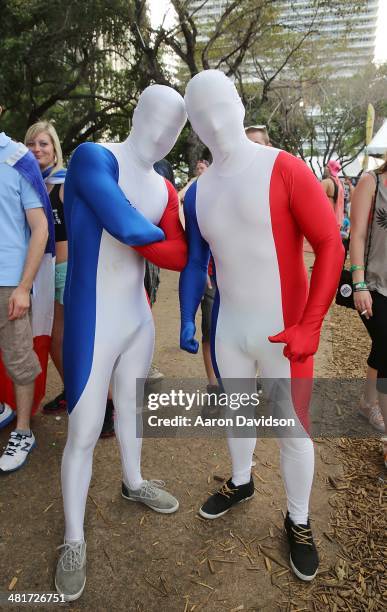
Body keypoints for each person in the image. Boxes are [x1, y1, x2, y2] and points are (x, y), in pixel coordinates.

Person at [180, 70, 343, 582]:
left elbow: (330, 243)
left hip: (284, 332)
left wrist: (311, 324)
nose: (212, 119)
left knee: (293, 429)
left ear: (238, 103)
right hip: (230, 330)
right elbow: (194, 261)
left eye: (218, 104)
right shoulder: (197, 192)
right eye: (198, 114)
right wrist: (187, 316)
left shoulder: (284, 168)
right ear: (194, 127)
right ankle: (242, 480)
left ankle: (298, 518)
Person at [54, 85, 187, 601]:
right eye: (157, 119)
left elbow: (175, 243)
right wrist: (178, 246)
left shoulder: (163, 181)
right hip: (94, 319)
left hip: (136, 316)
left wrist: (182, 246)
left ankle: (133, 482)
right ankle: (72, 538)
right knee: (85, 430)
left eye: (175, 128)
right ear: (136, 113)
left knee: (132, 411)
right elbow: (130, 228)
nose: (163, 134)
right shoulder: (94, 156)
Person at [0, 113, 54, 472]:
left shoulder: (18, 158)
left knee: (19, 358)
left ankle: (23, 430)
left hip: (7, 280)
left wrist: (22, 287)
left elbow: (40, 228)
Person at [350, 160, 387, 453]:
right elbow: (358, 235)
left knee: (382, 346)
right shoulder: (372, 181)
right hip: (375, 286)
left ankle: (367, 402)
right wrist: (359, 283)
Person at [321, 160, 345, 230]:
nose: (325, 168)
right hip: (335, 219)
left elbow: (317, 200)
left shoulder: (326, 182)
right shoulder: (340, 183)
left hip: (325, 218)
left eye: (327, 166)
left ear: (329, 169)